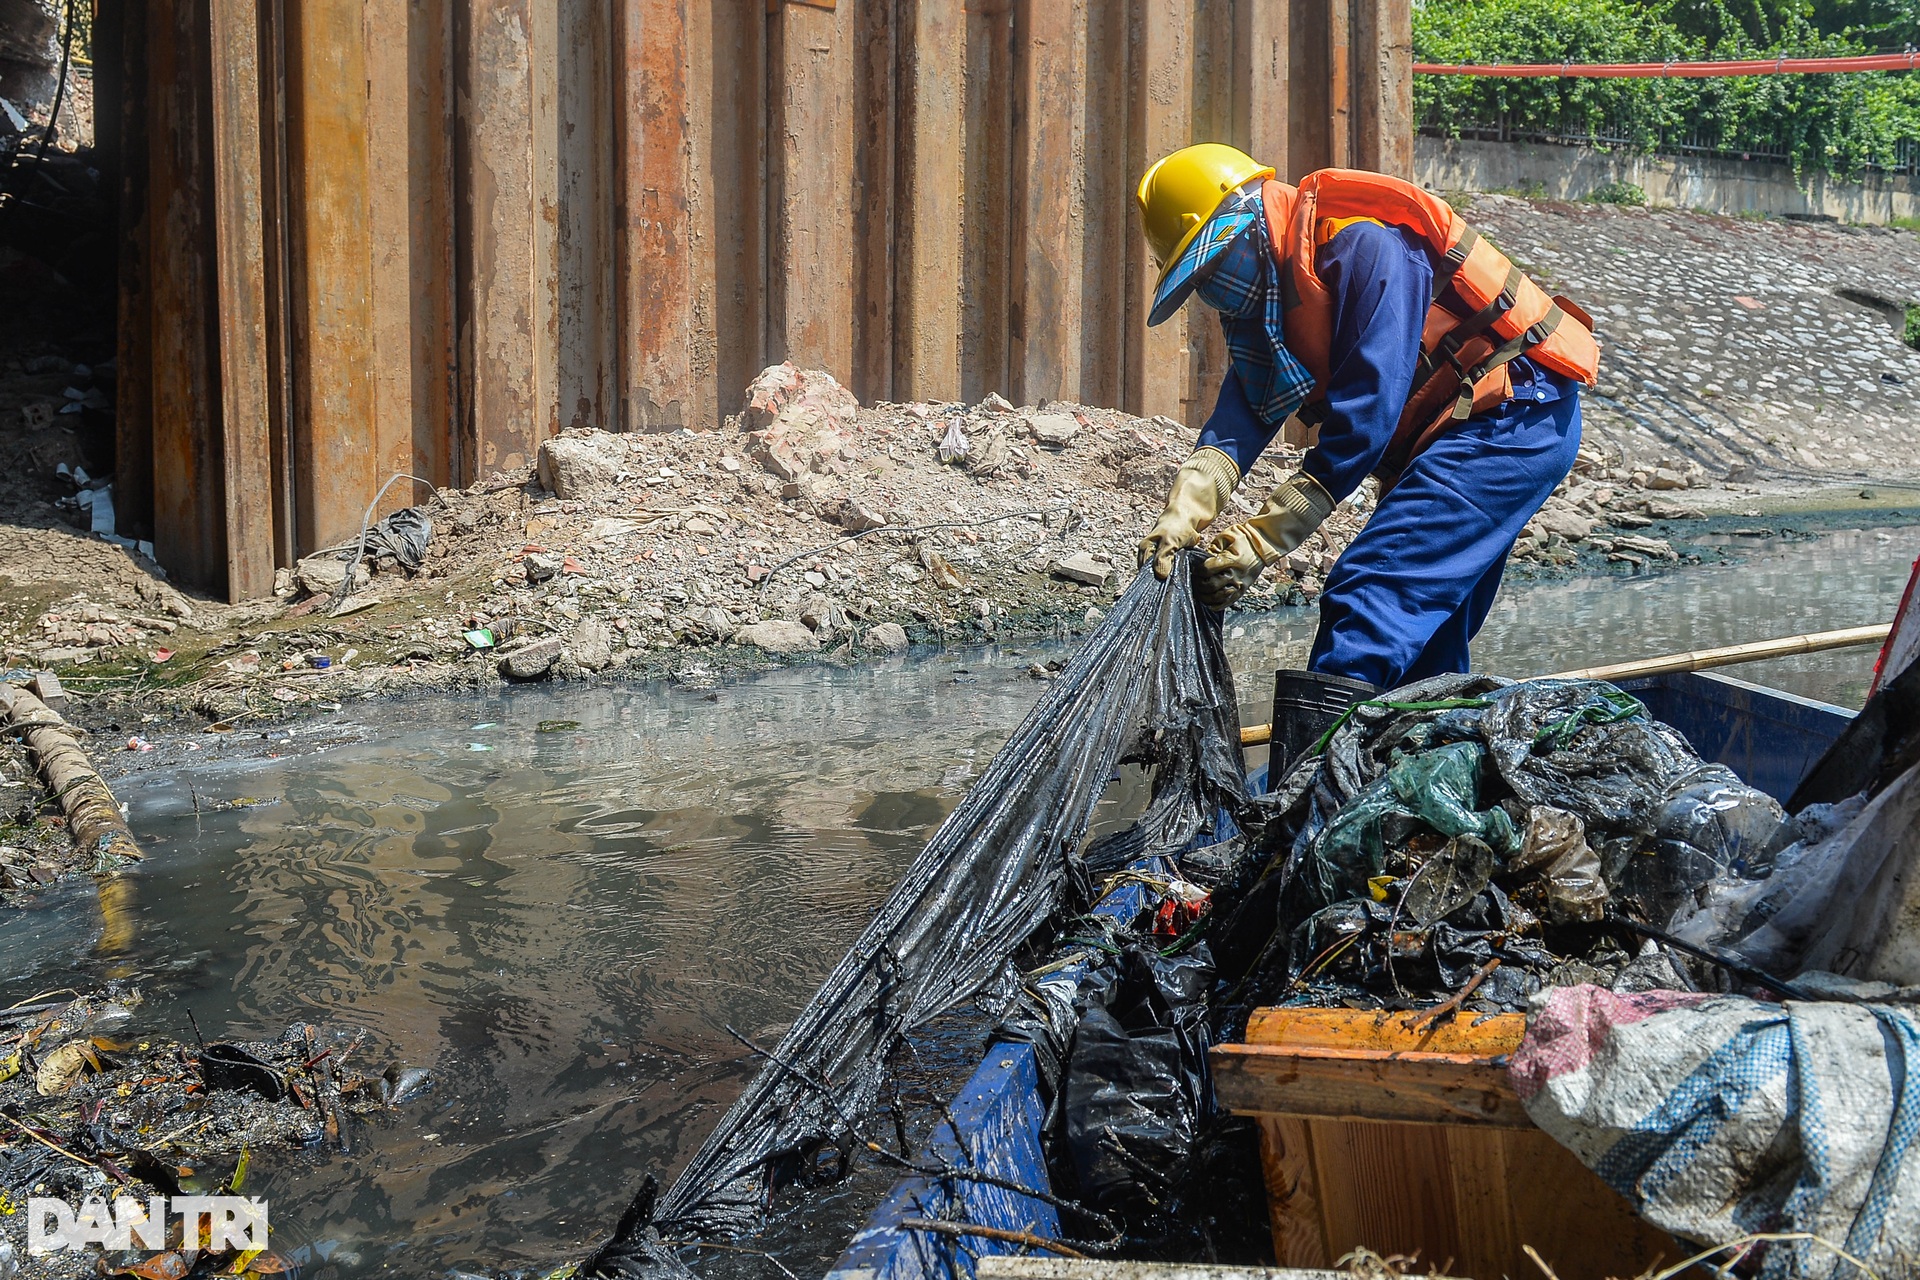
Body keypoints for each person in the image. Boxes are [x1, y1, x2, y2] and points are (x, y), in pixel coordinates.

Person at [1134, 144, 1600, 694]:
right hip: (1465, 433)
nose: (1216, 288)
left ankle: (1321, 749)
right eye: (1201, 280)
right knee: (1426, 637)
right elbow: (1245, 410)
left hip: (1509, 421)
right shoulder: (1272, 300)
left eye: (1215, 265)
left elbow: (1369, 412)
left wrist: (1266, 537)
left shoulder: (1364, 244)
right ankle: (1419, 740)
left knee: (1368, 594)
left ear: (1249, 220)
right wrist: (1186, 507)